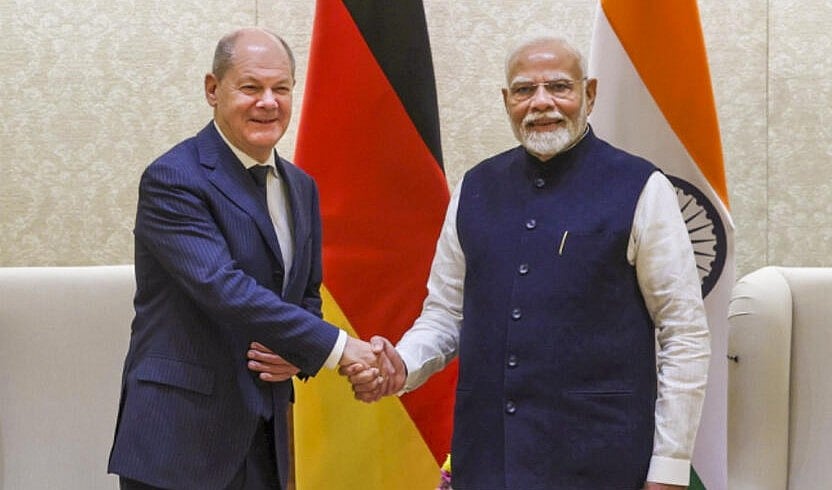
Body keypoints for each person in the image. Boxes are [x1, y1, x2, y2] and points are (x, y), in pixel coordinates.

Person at [347, 36, 711, 490]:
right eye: (524, 90)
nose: (541, 103)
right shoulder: (474, 188)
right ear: (506, 101)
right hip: (489, 461)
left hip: (604, 465)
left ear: (590, 94)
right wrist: (402, 364)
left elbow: (683, 332)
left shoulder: (642, 186)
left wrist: (670, 466)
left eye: (559, 87)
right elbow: (444, 315)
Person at [107, 27, 381, 490]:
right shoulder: (173, 178)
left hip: (266, 436)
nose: (268, 102)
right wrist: (338, 349)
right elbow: (223, 287)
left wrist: (296, 354)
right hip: (181, 439)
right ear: (213, 90)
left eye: (281, 89)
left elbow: (304, 293)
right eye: (251, 87)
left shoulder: (301, 187)